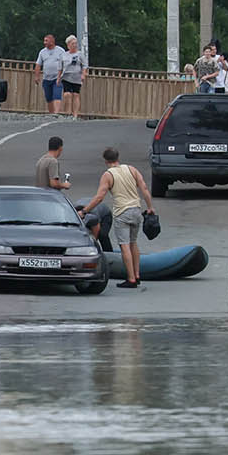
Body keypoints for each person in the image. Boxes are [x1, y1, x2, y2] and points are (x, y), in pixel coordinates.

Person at [77, 148, 156, 289]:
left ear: (106, 160)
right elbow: (144, 188)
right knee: (133, 243)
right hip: (136, 210)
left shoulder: (108, 175)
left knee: (124, 245)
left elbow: (100, 197)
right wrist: (150, 207)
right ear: (117, 157)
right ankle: (137, 275)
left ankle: (131, 279)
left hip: (122, 212)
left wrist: (84, 211)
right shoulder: (131, 169)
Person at [36, 34, 66, 114]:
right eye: (44, 41)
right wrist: (37, 76)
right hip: (46, 78)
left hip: (57, 77)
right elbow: (38, 65)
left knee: (57, 95)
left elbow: (65, 62)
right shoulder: (42, 52)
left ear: (52, 41)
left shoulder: (60, 51)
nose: (44, 42)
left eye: (46, 40)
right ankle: (51, 113)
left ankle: (56, 113)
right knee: (48, 98)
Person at [61, 36, 87, 118]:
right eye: (73, 43)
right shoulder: (64, 55)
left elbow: (85, 65)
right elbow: (60, 66)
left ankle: (75, 114)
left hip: (77, 77)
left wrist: (83, 74)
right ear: (68, 45)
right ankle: (67, 112)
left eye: (76, 43)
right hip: (66, 76)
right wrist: (58, 77)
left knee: (76, 94)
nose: (75, 45)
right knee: (67, 94)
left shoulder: (80, 54)